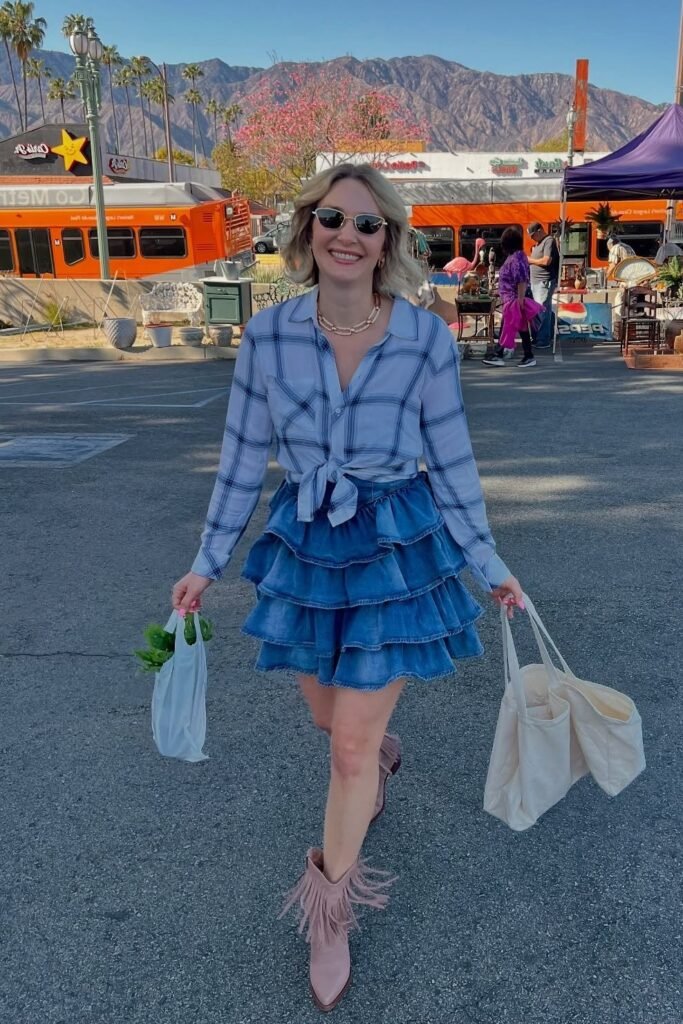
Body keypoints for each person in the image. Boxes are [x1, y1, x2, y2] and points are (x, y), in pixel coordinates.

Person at [171, 162, 523, 1013]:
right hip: (307, 544)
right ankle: (380, 758)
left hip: (393, 545)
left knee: (345, 750)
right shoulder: (268, 335)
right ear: (307, 229)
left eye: (367, 224)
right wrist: (206, 561)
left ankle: (329, 913)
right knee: (330, 720)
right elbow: (242, 459)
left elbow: (452, 462)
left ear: (388, 240)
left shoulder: (423, 338)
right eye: (332, 218)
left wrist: (491, 566)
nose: (347, 235)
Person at [482, 227, 539, 368]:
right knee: (521, 327)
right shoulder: (518, 256)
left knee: (507, 326)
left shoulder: (516, 259)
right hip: (511, 298)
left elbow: (521, 280)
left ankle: (499, 354)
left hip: (513, 299)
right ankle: (528, 355)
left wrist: (520, 300)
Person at [527, 221, 559, 349]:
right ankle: (539, 336)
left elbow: (547, 260)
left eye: (533, 235)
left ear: (540, 231)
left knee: (542, 310)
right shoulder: (539, 243)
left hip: (544, 281)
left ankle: (543, 339)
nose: (532, 238)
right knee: (538, 310)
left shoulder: (548, 241)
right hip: (536, 282)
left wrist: (530, 260)